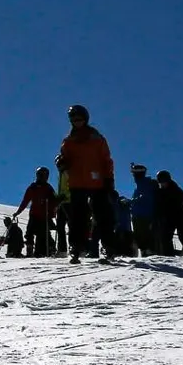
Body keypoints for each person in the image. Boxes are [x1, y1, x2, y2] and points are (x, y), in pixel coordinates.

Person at [58, 105, 118, 264]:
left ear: (85, 119)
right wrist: (61, 162)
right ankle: (76, 248)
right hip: (77, 182)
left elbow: (106, 160)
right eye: (73, 120)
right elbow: (65, 158)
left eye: (79, 119)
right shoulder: (68, 140)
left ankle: (107, 247)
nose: (77, 122)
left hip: (97, 182)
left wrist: (109, 179)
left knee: (102, 215)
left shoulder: (96, 138)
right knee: (77, 217)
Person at [13, 167, 58, 258]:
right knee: (30, 233)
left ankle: (42, 251)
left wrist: (53, 210)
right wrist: (18, 212)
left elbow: (54, 201)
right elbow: (25, 201)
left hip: (44, 215)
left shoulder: (48, 188)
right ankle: (31, 250)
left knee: (42, 234)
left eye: (44, 176)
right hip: (35, 214)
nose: (42, 178)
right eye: (41, 175)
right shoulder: (33, 187)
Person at [154, 170, 183, 256]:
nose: (162, 184)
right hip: (167, 218)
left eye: (164, 182)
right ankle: (168, 255)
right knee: (166, 237)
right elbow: (158, 206)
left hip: (179, 215)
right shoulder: (160, 192)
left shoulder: (176, 189)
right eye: (161, 182)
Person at [130, 164, 158, 256]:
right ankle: (145, 253)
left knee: (144, 237)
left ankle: (148, 253)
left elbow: (146, 198)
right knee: (141, 238)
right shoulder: (141, 185)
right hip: (139, 215)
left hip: (144, 215)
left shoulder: (145, 184)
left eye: (134, 174)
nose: (133, 176)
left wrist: (131, 201)